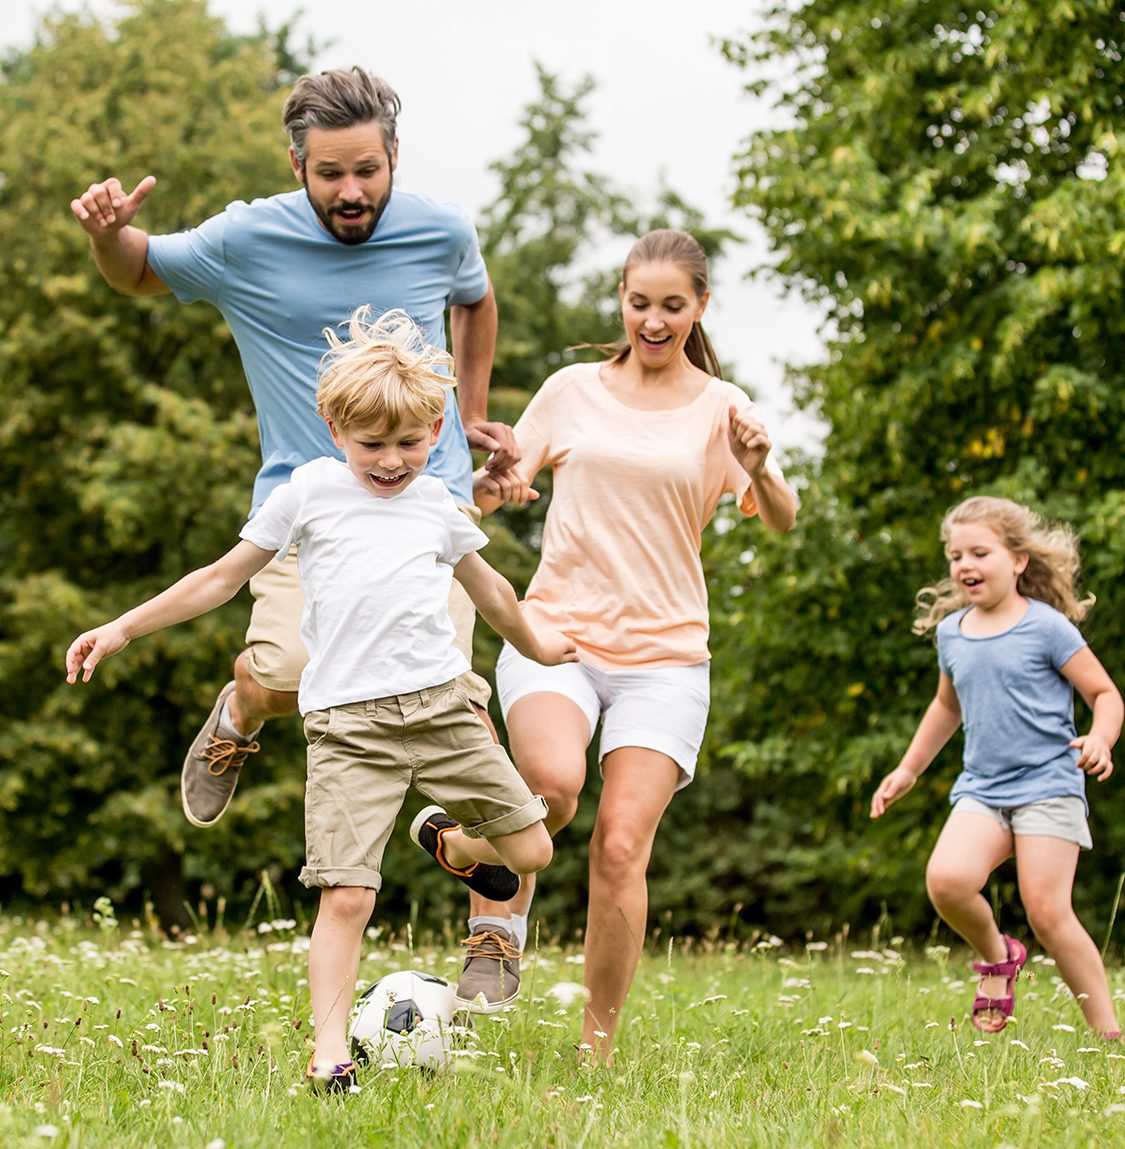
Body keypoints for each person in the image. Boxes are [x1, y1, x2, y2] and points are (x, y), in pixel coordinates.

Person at [65, 308, 577, 1089]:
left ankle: (450, 841)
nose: (391, 461)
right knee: (346, 897)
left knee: (533, 848)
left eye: (410, 444)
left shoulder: (439, 506)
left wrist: (541, 646)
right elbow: (221, 577)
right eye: (372, 444)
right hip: (350, 729)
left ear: (435, 429)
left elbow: (494, 591)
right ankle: (330, 1053)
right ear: (333, 426)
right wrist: (124, 628)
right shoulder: (308, 493)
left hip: (441, 712)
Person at [68, 66, 515, 833]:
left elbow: (474, 296)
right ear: (297, 165)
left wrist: (469, 413)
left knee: (459, 704)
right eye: (330, 172)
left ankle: (495, 938)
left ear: (395, 156)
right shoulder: (246, 239)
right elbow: (137, 269)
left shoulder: (441, 229)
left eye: (367, 170)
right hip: (305, 513)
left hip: (428, 500)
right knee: (289, 678)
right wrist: (109, 236)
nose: (351, 191)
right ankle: (242, 708)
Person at [469, 229, 797, 1052]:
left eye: (672, 306)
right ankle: (496, 923)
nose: (653, 321)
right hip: (559, 635)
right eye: (638, 302)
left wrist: (756, 468)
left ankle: (597, 1045)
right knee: (552, 782)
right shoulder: (572, 389)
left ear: (700, 307)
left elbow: (785, 518)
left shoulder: (725, 410)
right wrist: (492, 487)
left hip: (668, 659)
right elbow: (496, 488)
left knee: (620, 844)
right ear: (621, 298)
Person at [870, 496, 1125, 1037]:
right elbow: (947, 706)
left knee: (1048, 913)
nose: (965, 565)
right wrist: (908, 769)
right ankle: (997, 955)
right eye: (955, 555)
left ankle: (1108, 1035)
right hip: (983, 787)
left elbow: (1104, 692)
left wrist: (1101, 739)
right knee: (947, 880)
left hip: (1049, 784)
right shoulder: (953, 634)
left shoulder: (1047, 628)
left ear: (1018, 561)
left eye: (979, 552)